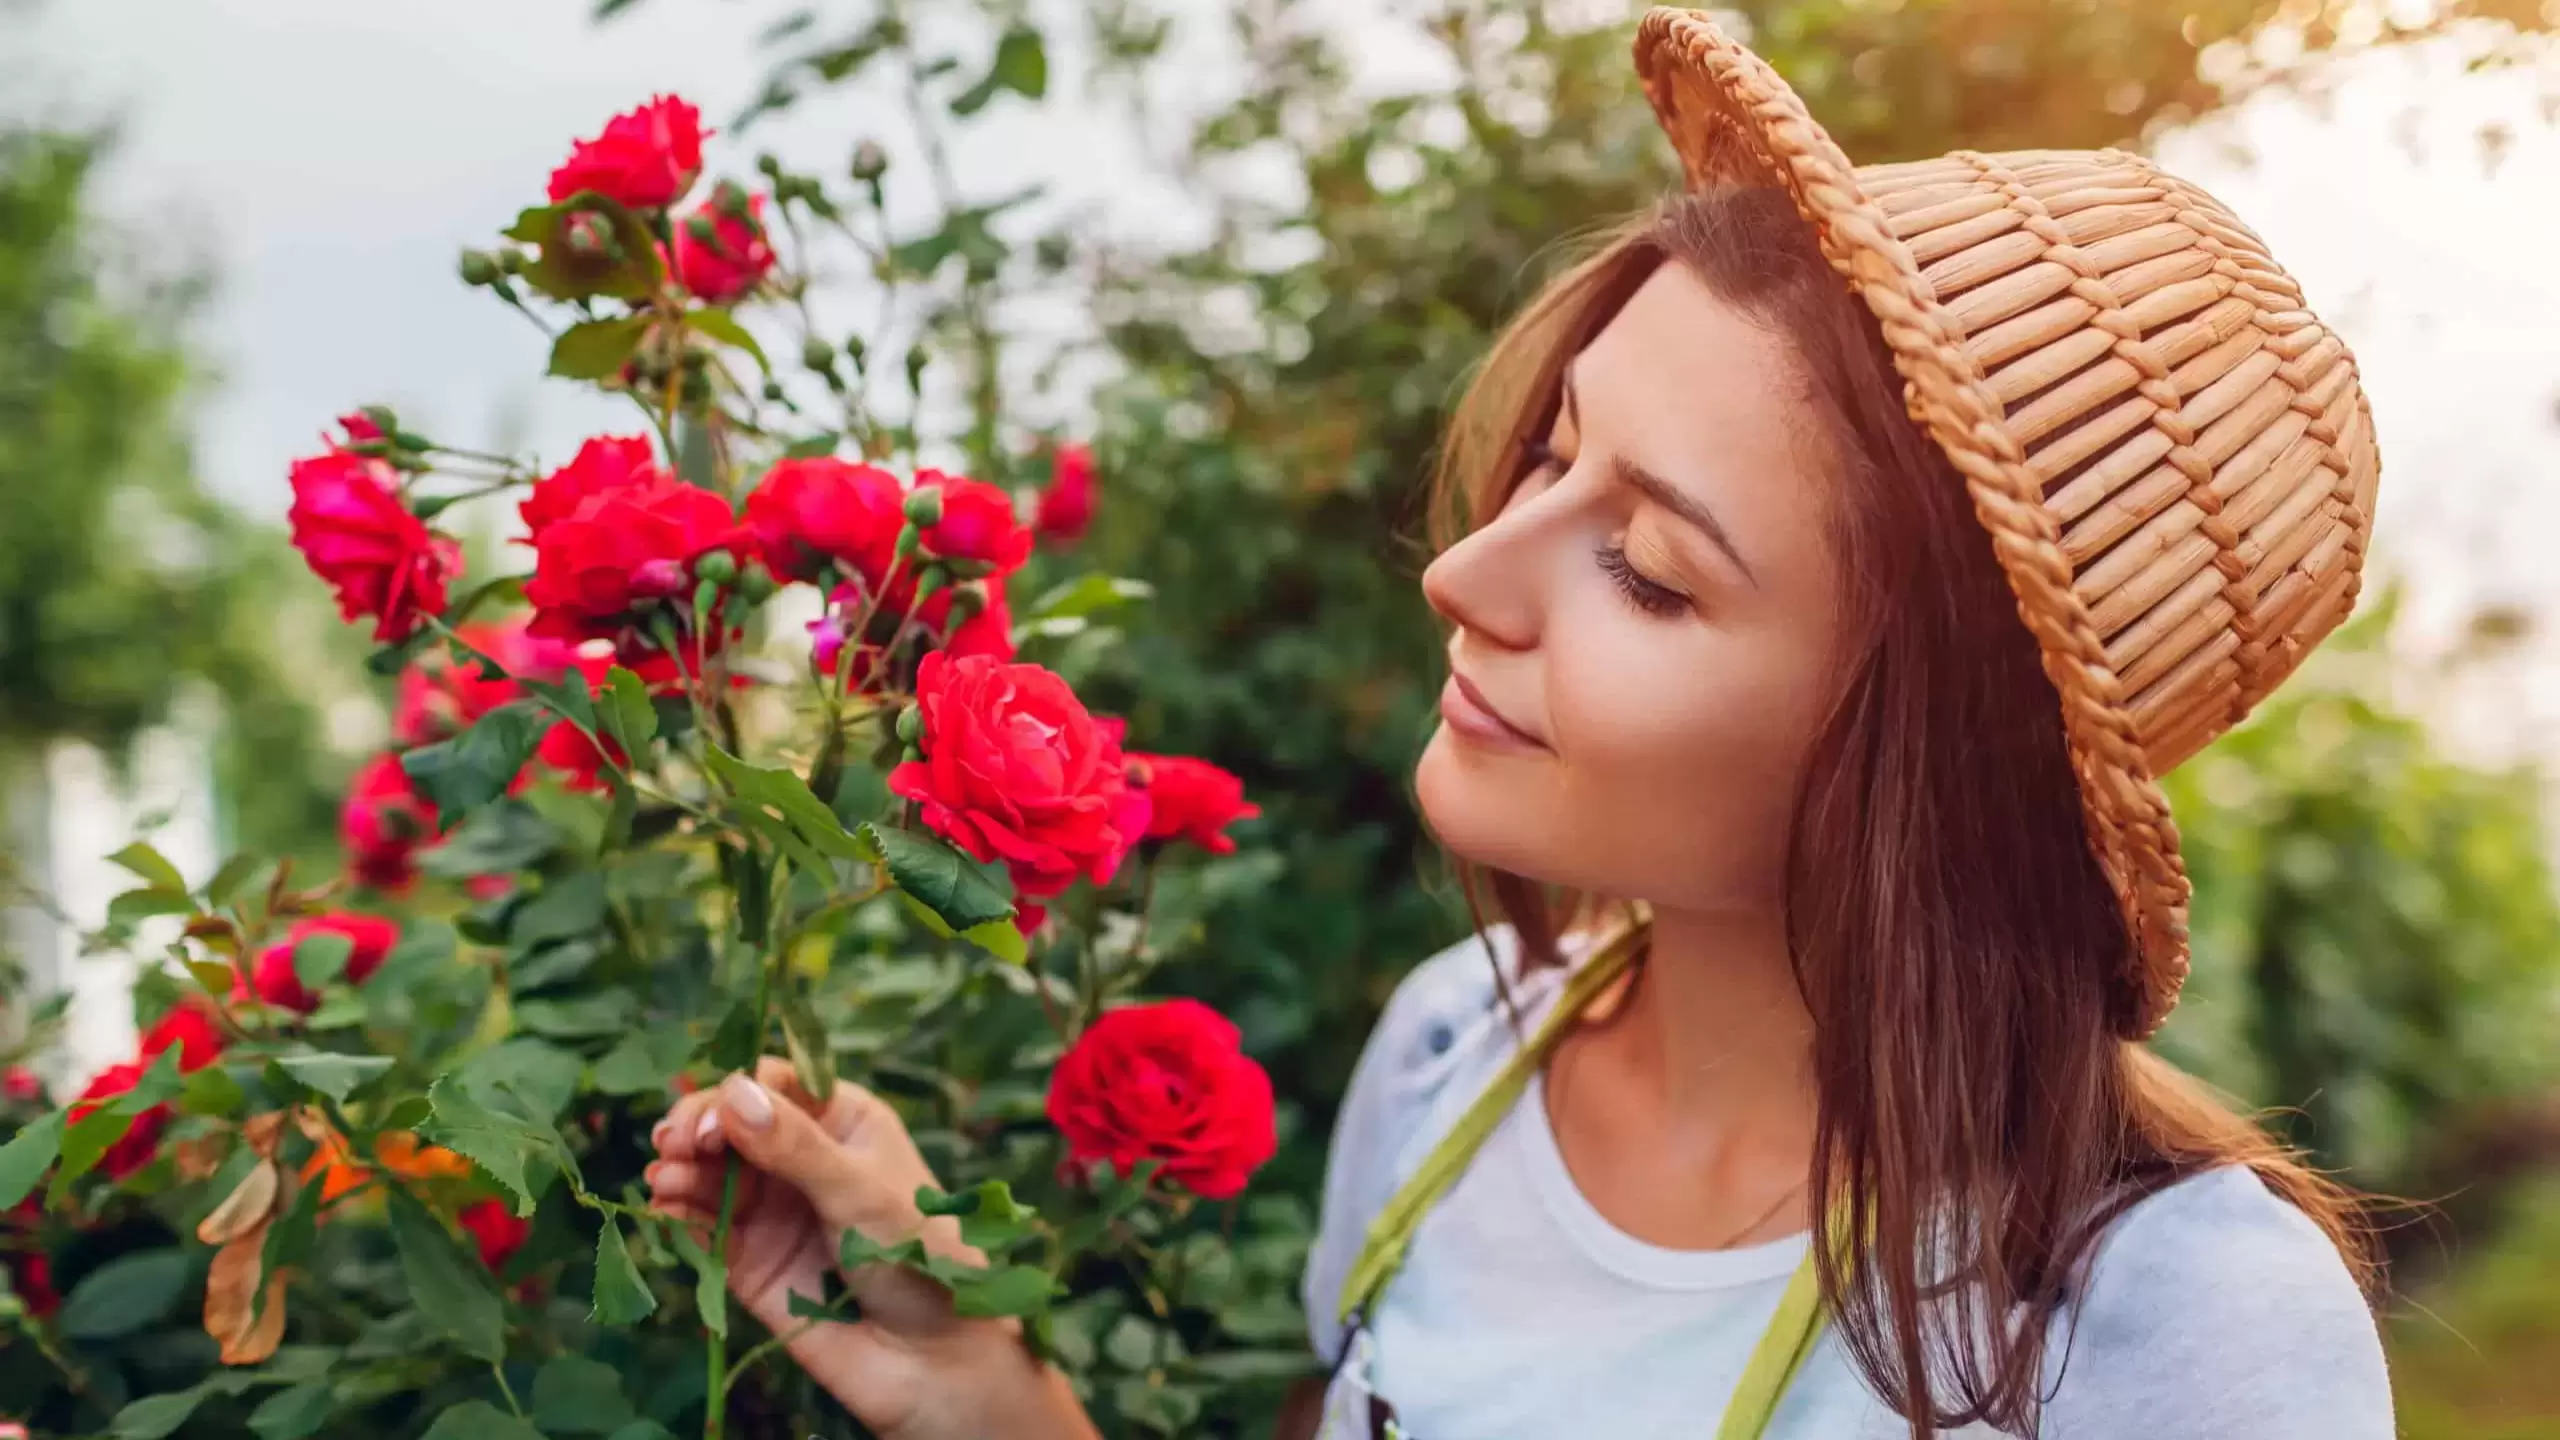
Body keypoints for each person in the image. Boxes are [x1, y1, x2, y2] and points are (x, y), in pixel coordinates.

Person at [642, 10, 2395, 1437]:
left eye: (1643, 566)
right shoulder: (1444, 1064)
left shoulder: (2186, 1341)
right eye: (1553, 453)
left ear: (1931, 760)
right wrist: (988, 1392)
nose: (1467, 570)